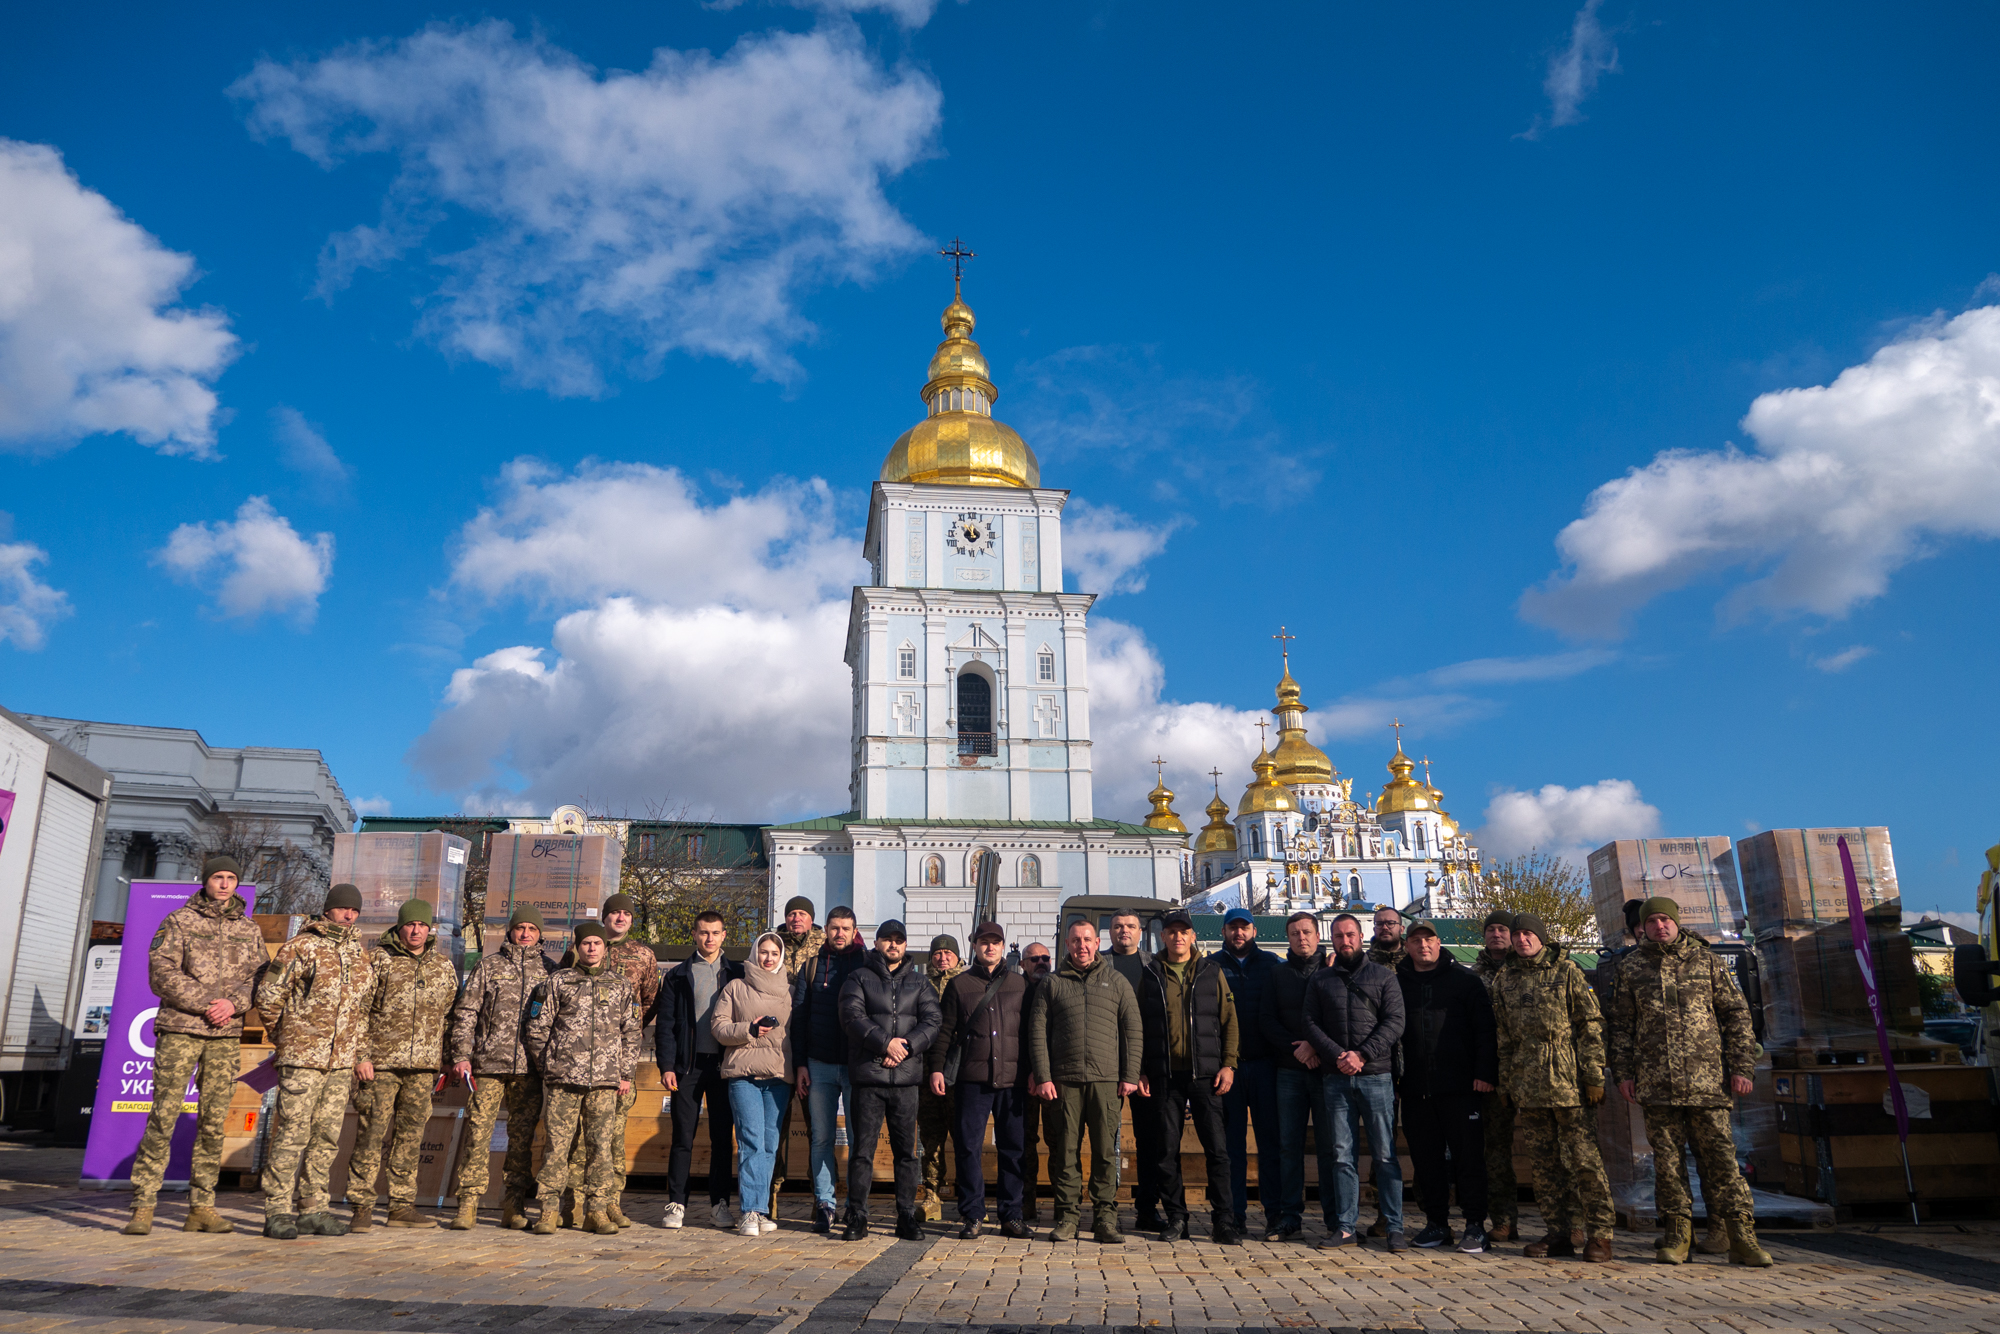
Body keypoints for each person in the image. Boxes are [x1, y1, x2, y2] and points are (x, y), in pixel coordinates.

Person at [1610, 897, 1769, 1267]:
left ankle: (1741, 1235)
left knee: (1722, 1163)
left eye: (1666, 919)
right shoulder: (1632, 967)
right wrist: (1624, 1073)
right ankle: (1678, 1233)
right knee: (1667, 1164)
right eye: (1652, 922)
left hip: (1708, 1083)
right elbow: (1620, 1025)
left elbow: (1736, 1016)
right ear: (1643, 927)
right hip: (1657, 1084)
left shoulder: (1706, 961)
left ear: (1677, 922)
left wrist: (1742, 1067)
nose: (1659, 926)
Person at [122, 855, 266, 1237]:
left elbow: (260, 978)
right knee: (163, 1115)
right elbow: (162, 971)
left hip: (224, 1036)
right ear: (205, 881)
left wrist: (233, 1004)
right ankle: (143, 1204)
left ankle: (202, 1206)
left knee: (214, 1121)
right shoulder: (179, 921)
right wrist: (207, 1004)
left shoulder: (249, 929)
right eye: (217, 877)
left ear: (237, 884)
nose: (224, 884)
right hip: (182, 1029)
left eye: (230, 878)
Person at [1493, 911, 1615, 1263]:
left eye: (1528, 934)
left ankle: (1600, 1235)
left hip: (1568, 1084)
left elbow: (1590, 1024)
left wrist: (1593, 1074)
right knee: (1545, 1168)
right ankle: (1558, 1232)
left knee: (1585, 1163)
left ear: (1541, 938)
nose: (1521, 940)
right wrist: (1505, 1082)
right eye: (1516, 936)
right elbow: (1503, 1036)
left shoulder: (1566, 971)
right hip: (1528, 1087)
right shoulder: (1505, 979)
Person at [256, 883, 375, 1240]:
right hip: (303, 1059)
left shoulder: (359, 954)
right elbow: (268, 995)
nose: (349, 915)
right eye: (343, 908)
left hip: (339, 1063)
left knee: (326, 1137)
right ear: (329, 909)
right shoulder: (301, 947)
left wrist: (356, 1052)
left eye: (354, 910)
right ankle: (277, 1210)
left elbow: (362, 1010)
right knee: (292, 1133)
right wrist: (287, 1037)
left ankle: (314, 1208)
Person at [1026, 919, 1141, 1244]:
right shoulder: (1052, 984)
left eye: (1087, 940)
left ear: (1096, 942)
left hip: (1106, 1083)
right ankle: (1066, 1217)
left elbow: (1133, 1029)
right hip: (1064, 1082)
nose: (1082, 946)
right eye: (1076, 940)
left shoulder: (1116, 982)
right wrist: (1044, 1076)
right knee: (1065, 1152)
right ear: (1067, 944)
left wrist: (1130, 1074)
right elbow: (1037, 1032)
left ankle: (1105, 1218)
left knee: (1106, 1153)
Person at [525, 922, 639, 1236]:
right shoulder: (557, 982)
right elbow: (537, 1030)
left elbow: (631, 1032)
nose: (591, 948)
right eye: (586, 943)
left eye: (596, 943)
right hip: (563, 1080)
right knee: (557, 1147)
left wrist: (625, 1073)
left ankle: (597, 1210)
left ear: (605, 948)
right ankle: (548, 1209)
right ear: (577, 947)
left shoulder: (620, 985)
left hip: (604, 1082)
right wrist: (550, 1066)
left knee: (600, 1148)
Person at [349, 899, 457, 1231]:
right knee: (371, 1134)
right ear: (400, 926)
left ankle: (401, 1206)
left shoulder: (443, 967)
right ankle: (361, 1207)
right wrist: (362, 1055)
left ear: (429, 929)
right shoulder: (379, 961)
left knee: (411, 1137)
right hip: (381, 1064)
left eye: (422, 925)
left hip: (423, 1066)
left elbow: (450, 1017)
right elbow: (359, 1010)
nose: (416, 930)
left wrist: (445, 1059)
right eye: (410, 924)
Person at [1136, 909, 1241, 1245]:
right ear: (1163, 937)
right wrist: (1140, 1069)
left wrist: (1229, 1064)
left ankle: (1223, 1219)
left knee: (1217, 1150)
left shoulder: (1212, 971)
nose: (1178, 937)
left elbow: (1230, 1021)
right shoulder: (1151, 974)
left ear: (1193, 936)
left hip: (1206, 1075)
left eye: (1184, 932)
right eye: (1172, 932)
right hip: (1165, 1075)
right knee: (1166, 1149)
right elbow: (1138, 1026)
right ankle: (1176, 1217)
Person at [447, 904, 555, 1229]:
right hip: (487, 1065)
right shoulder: (488, 967)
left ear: (539, 935)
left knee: (521, 1140)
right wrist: (462, 1055)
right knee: (478, 1134)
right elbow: (467, 1013)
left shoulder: (550, 972)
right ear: (510, 931)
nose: (525, 934)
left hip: (529, 1069)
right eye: (520, 928)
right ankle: (468, 1204)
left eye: (532, 929)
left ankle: (514, 1204)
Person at [1303, 912, 1406, 1250]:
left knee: (1385, 1154)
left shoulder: (1383, 976)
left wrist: (1361, 1055)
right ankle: (1346, 1227)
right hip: (1336, 1079)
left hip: (1376, 1076)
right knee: (1341, 1155)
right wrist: (1338, 1057)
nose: (1344, 941)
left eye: (1350, 935)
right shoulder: (1321, 980)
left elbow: (1394, 1022)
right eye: (1337, 936)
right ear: (1330, 940)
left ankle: (1394, 1227)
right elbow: (1311, 1023)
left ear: (1361, 937)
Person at [556, 893, 659, 1229]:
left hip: (616, 1064)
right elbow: (556, 995)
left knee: (611, 1136)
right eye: (614, 913)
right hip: (575, 1061)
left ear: (632, 920)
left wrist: (624, 1038)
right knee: (575, 1138)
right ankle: (573, 1202)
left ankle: (609, 1201)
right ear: (604, 917)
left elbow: (648, 1003)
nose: (620, 919)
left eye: (626, 914)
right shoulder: (577, 951)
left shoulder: (643, 955)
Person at [1396, 920, 1496, 1253]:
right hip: (1414, 1088)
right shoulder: (1398, 983)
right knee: (1426, 1161)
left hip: (1460, 1087)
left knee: (1468, 1159)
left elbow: (1485, 1030)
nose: (1423, 945)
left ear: (1439, 943)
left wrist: (1484, 1072)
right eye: (1415, 940)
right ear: (1406, 946)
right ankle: (1436, 1223)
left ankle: (1474, 1225)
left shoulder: (1465, 981)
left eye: (1429, 939)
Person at [837, 918, 941, 1240]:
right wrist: (886, 1043)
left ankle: (906, 1215)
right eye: (887, 939)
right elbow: (852, 1017)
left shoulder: (921, 983)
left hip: (906, 1081)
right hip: (869, 1079)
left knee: (907, 1154)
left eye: (899, 940)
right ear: (877, 942)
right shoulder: (859, 978)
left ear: (906, 945)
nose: (893, 945)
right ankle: (857, 1215)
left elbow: (933, 1020)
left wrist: (905, 1047)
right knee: (862, 1152)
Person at [929, 921, 1030, 1238]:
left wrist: (1034, 1073)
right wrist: (936, 1068)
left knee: (1013, 1148)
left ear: (1003, 946)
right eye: (984, 942)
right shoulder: (960, 985)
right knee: (968, 1147)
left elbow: (1028, 1034)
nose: (990, 947)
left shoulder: (1020, 984)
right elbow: (945, 1031)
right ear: (974, 946)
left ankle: (1011, 1214)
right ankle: (972, 1213)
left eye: (995, 942)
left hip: (1012, 1081)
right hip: (973, 1080)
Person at [657, 910, 743, 1229]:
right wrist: (667, 1066)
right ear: (694, 934)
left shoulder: (737, 973)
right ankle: (676, 1203)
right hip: (687, 1068)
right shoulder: (678, 976)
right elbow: (665, 1026)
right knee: (683, 1137)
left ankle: (719, 1204)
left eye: (715, 933)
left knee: (722, 1138)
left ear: (724, 935)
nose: (709, 938)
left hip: (724, 1066)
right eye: (703, 933)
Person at [713, 931, 795, 1237]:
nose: (768, 958)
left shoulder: (789, 991)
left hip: (778, 1078)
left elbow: (795, 1036)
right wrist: (748, 1029)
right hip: (742, 1075)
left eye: (774, 953)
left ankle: (761, 1210)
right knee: (751, 1141)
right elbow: (719, 1027)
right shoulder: (736, 987)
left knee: (770, 1145)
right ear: (754, 953)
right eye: (763, 952)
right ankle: (748, 1211)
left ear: (781, 956)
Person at [793, 905, 869, 1233]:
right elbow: (798, 1019)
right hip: (819, 1064)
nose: (839, 934)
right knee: (821, 1137)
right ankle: (825, 1203)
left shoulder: (867, 965)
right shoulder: (810, 967)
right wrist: (799, 1064)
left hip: (856, 1066)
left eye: (846, 928)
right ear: (826, 930)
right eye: (834, 928)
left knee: (857, 1139)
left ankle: (855, 1205)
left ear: (854, 931)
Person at [1260, 910, 1333, 1241]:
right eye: (1294, 933)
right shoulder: (1278, 974)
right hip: (1289, 1072)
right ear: (1287, 938)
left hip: (1325, 1072)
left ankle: (1335, 1218)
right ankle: (1290, 1215)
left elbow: (1342, 1017)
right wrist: (1297, 1050)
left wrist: (1317, 1047)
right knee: (1288, 1146)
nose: (1301, 938)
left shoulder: (1333, 972)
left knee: (1329, 1147)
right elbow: (1267, 1020)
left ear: (1318, 936)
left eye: (1306, 932)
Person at [1213, 905, 1278, 1238]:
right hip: (1229, 1070)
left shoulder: (1271, 965)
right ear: (1224, 932)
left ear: (1255, 931)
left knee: (1270, 1143)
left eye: (1244, 927)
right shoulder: (1211, 966)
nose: (1238, 933)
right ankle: (1234, 1214)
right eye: (1232, 928)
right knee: (1231, 1146)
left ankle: (1275, 1214)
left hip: (1266, 1065)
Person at [1103, 909, 1163, 1232]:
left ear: (1141, 932)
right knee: (1106, 1139)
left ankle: (1147, 1208)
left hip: (1145, 1069)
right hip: (1107, 1065)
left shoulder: (1154, 966)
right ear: (1108, 932)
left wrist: (1141, 1068)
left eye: (1130, 926)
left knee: (1148, 1140)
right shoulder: (1098, 964)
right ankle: (1106, 1206)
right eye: (1117, 927)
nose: (1123, 931)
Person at [1469, 910, 1524, 1242]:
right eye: (1490, 929)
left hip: (1536, 1072)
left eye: (1503, 929)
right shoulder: (1474, 976)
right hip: (1493, 1075)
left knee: (1551, 1150)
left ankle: (1568, 1222)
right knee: (1496, 1151)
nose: (1496, 934)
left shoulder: (1533, 968)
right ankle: (1503, 1219)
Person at [770, 896, 823, 1217]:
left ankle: (821, 1195)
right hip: (776, 1046)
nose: (795, 918)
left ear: (811, 918)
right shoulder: (772, 943)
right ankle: (771, 1192)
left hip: (811, 1044)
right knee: (775, 1126)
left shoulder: (824, 944)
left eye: (802, 913)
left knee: (817, 1126)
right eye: (791, 914)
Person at [918, 933, 966, 1220]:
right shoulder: (920, 985)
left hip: (959, 1073)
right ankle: (932, 1195)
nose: (943, 957)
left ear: (958, 957)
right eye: (937, 953)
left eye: (948, 952)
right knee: (931, 1138)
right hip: (926, 1073)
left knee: (965, 1138)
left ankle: (969, 1198)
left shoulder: (967, 983)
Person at [1017, 942, 1055, 1221]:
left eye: (1045, 958)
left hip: (1055, 1079)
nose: (1040, 962)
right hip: (1022, 1080)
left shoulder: (1059, 986)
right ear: (1023, 964)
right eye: (1034, 959)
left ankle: (1064, 1206)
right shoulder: (1014, 991)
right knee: (1024, 1143)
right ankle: (1024, 1203)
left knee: (1060, 1141)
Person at [1368, 904, 1407, 972]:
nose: (1384, 927)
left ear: (1401, 929)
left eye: (1390, 923)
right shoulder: (1365, 962)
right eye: (1379, 924)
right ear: (1374, 930)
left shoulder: (1414, 960)